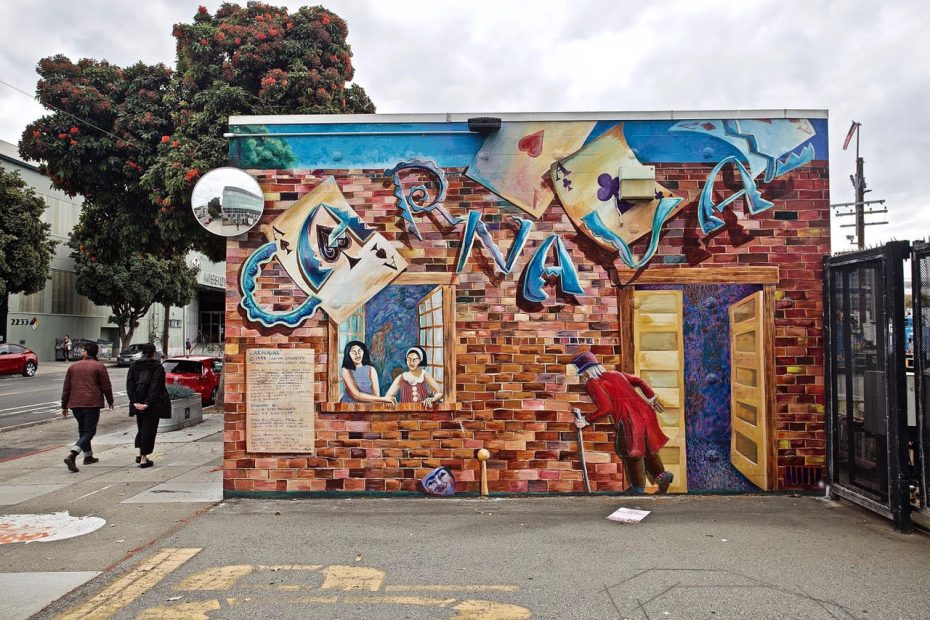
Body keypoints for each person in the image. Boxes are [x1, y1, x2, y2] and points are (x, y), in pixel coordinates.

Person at [571, 351, 674, 494]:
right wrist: (651, 397)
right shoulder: (616, 374)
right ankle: (661, 476)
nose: (581, 376)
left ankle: (637, 488)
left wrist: (586, 420)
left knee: (628, 450)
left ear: (586, 371)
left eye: (581, 373)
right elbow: (639, 381)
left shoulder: (592, 383)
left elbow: (606, 408)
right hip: (645, 414)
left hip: (628, 420)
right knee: (647, 448)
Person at [60, 342, 114, 472]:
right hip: (91, 403)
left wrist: (64, 405)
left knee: (83, 429)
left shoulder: (73, 367)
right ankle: (73, 453)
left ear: (85, 352)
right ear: (97, 353)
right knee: (90, 431)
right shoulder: (99, 366)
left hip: (75, 403)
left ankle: (88, 456)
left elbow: (66, 388)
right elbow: (106, 386)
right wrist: (110, 401)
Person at [127, 343, 170, 468]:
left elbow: (130, 384)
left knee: (142, 428)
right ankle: (144, 458)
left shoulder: (134, 366)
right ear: (153, 352)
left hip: (138, 402)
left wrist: (134, 401)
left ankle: (141, 453)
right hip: (152, 404)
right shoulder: (157, 367)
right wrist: (147, 403)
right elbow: (155, 386)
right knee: (149, 430)